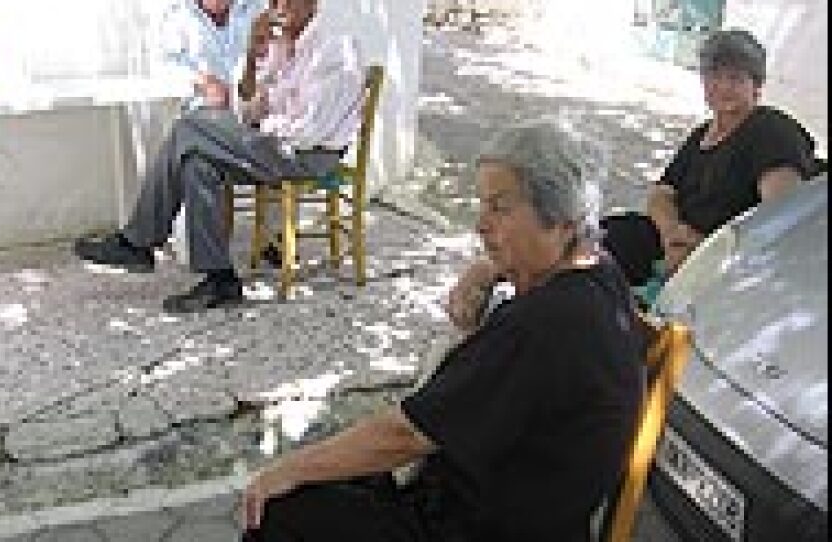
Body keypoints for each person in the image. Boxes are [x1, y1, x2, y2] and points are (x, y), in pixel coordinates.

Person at [238, 121, 644, 541]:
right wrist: (487, 268)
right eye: (483, 205)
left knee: (279, 506)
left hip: (480, 527)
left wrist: (284, 471)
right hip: (498, 503)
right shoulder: (598, 274)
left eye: (501, 208)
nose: (481, 225)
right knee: (335, 475)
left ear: (559, 219)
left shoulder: (545, 324)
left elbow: (408, 433)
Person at [74, 0, 365, 313]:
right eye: (274, 0)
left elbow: (311, 131)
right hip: (277, 146)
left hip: (310, 155)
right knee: (198, 164)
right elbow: (249, 107)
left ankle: (139, 242)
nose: (279, 7)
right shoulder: (282, 43)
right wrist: (254, 58)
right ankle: (220, 279)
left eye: (288, 0)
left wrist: (258, 131)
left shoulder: (335, 48)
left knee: (190, 127)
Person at [602, 28, 821, 291]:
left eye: (736, 78)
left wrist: (701, 250)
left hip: (727, 262)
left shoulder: (770, 129)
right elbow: (661, 194)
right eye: (714, 77)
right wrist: (672, 233)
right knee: (601, 239)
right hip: (674, 242)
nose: (724, 87)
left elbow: (780, 217)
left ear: (756, 87)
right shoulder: (701, 135)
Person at [154, 0, 268, 111]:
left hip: (258, 111)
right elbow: (166, 65)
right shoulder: (178, 12)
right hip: (204, 112)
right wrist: (203, 81)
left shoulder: (259, 6)